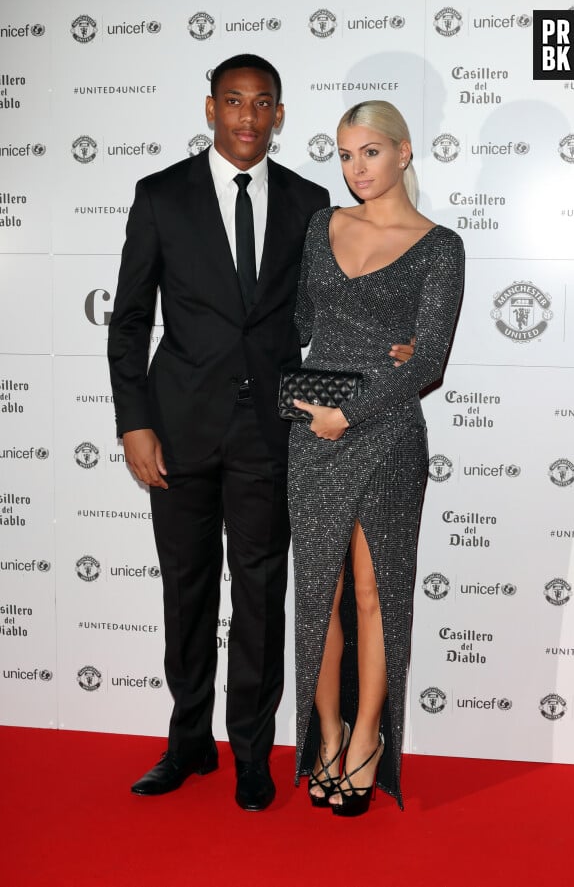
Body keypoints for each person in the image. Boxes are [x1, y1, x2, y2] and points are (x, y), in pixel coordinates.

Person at [108, 55, 414, 812]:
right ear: (210, 108)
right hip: (175, 431)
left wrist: (397, 346)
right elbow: (129, 321)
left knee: (261, 594)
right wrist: (134, 421)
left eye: (263, 103)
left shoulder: (313, 205)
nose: (247, 116)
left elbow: (338, 308)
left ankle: (251, 751)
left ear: (279, 115)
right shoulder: (160, 196)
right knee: (186, 592)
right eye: (234, 101)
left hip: (273, 437)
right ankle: (187, 742)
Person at [288, 100, 464, 816]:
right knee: (318, 594)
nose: (356, 168)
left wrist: (355, 409)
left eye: (369, 152)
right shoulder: (320, 225)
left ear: (404, 152)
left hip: (386, 431)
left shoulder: (439, 245)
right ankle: (325, 730)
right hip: (312, 431)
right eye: (345, 154)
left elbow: (429, 360)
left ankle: (367, 739)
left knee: (373, 591)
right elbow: (299, 318)